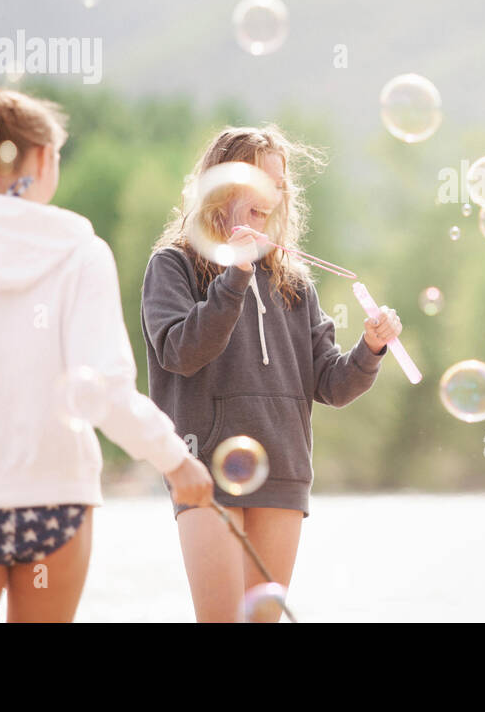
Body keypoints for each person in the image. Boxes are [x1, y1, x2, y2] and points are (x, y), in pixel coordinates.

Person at [0, 79, 213, 622]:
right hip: (58, 500)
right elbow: (104, 392)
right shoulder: (81, 252)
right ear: (45, 156)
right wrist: (175, 459)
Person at [141, 124, 401, 622]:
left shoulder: (294, 283)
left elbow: (330, 383)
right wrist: (235, 275)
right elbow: (182, 351)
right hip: (205, 470)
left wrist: (369, 348)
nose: (273, 194)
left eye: (279, 183)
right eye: (260, 180)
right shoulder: (173, 266)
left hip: (282, 469)